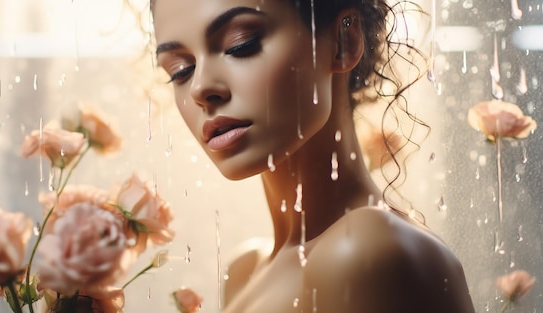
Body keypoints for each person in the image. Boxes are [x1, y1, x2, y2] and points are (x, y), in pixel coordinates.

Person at [152, 0, 476, 312]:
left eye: (241, 44)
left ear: (343, 41)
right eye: (180, 70)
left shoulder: (364, 252)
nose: (199, 88)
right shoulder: (244, 270)